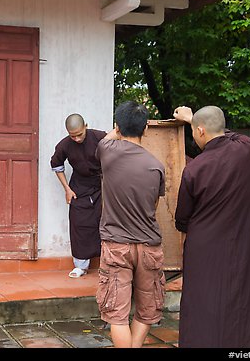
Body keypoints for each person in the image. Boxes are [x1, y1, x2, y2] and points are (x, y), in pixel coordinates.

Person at [172, 105, 250, 348]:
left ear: (200, 131)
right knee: (243, 296)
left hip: (204, 246)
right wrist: (192, 119)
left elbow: (182, 218)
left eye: (195, 131)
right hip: (242, 241)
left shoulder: (195, 168)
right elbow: (229, 133)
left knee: (204, 300)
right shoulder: (247, 149)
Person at [94, 101, 166, 348]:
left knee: (117, 314)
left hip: (116, 246)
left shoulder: (107, 151)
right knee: (147, 310)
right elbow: (153, 206)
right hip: (149, 246)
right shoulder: (157, 165)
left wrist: (117, 128)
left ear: (118, 127)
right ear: (146, 129)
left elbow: (108, 136)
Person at [50, 114, 106, 278]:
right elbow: (56, 165)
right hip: (79, 186)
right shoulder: (64, 145)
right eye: (72, 135)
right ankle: (81, 265)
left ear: (86, 126)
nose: (76, 139)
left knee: (105, 222)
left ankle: (108, 263)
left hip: (102, 184)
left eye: (79, 134)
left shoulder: (100, 137)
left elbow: (116, 154)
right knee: (78, 223)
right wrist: (67, 188)